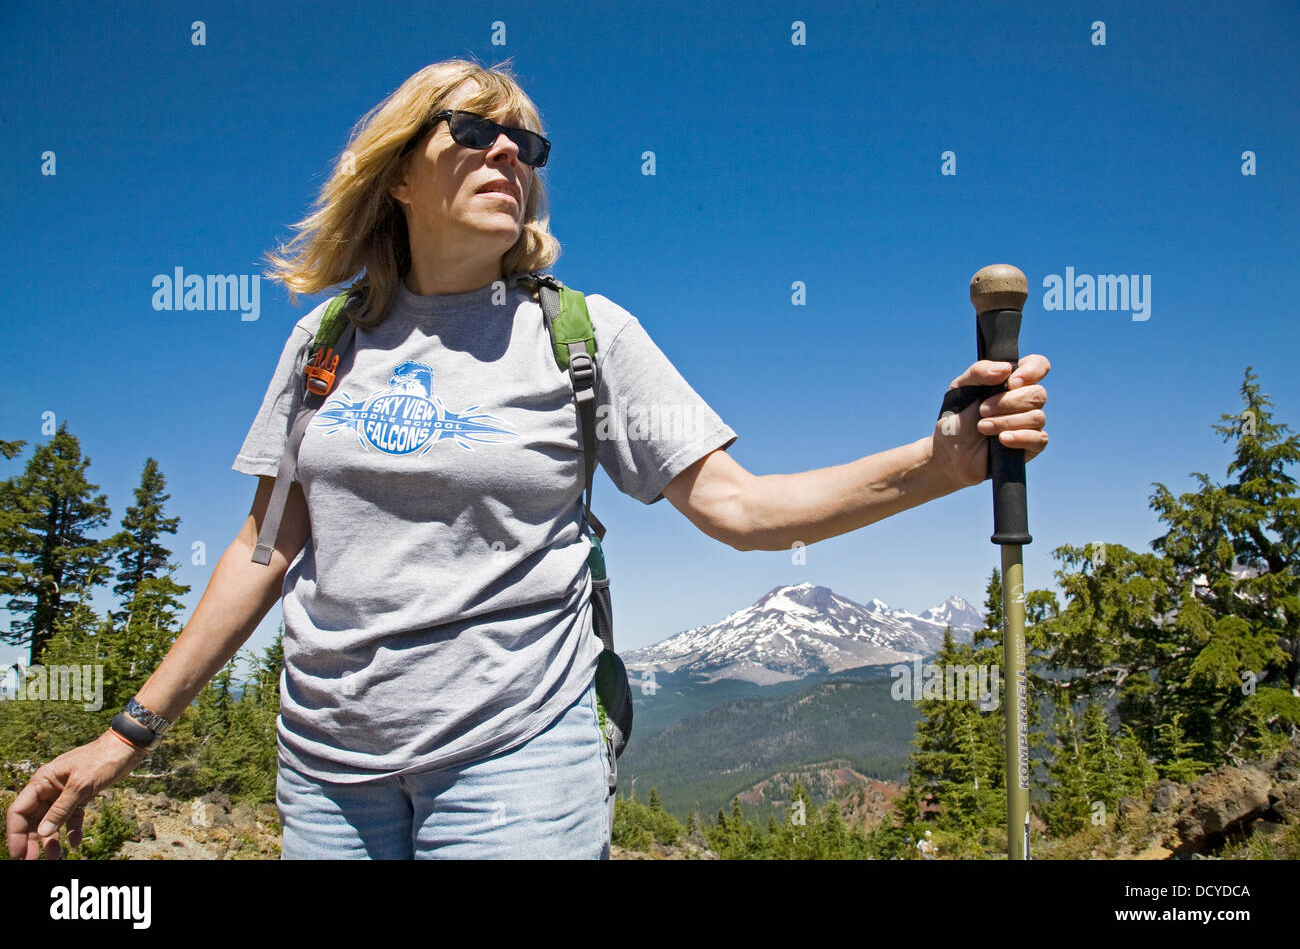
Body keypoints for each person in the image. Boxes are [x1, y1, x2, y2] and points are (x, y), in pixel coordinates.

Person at [5, 58, 1050, 861]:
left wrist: (941, 460)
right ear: (398, 169)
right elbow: (263, 548)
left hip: (517, 757)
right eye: (476, 131)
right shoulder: (326, 339)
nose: (510, 154)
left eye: (528, 146)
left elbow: (740, 507)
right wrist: (125, 735)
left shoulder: (583, 334)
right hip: (325, 770)